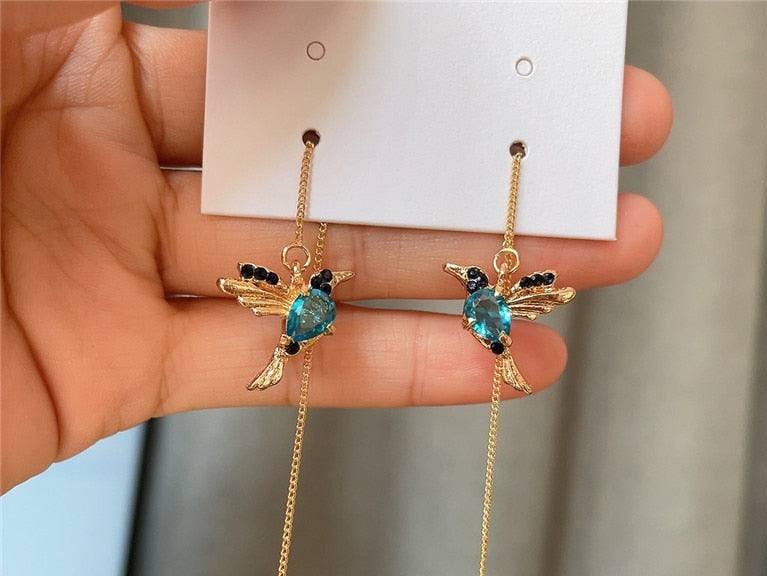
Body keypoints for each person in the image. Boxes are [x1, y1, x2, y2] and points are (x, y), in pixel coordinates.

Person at [1, 2, 673, 493]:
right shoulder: (314, 298)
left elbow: (266, 288)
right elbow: (264, 289)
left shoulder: (452, 301)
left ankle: (298, 358)